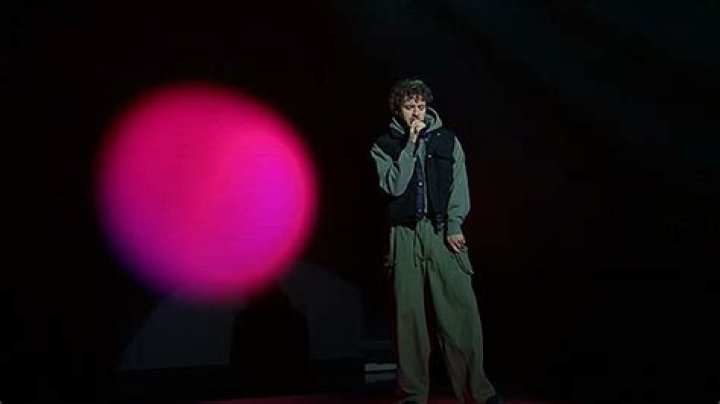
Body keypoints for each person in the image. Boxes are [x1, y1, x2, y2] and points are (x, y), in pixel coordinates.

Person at [370, 78, 504, 404]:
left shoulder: (447, 140)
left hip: (441, 231)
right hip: (404, 236)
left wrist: (455, 224)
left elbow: (460, 184)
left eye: (420, 105)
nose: (416, 112)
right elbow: (394, 186)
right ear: (398, 110)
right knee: (409, 318)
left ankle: (477, 391)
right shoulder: (384, 145)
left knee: (460, 311)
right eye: (409, 107)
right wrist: (410, 145)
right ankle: (412, 394)